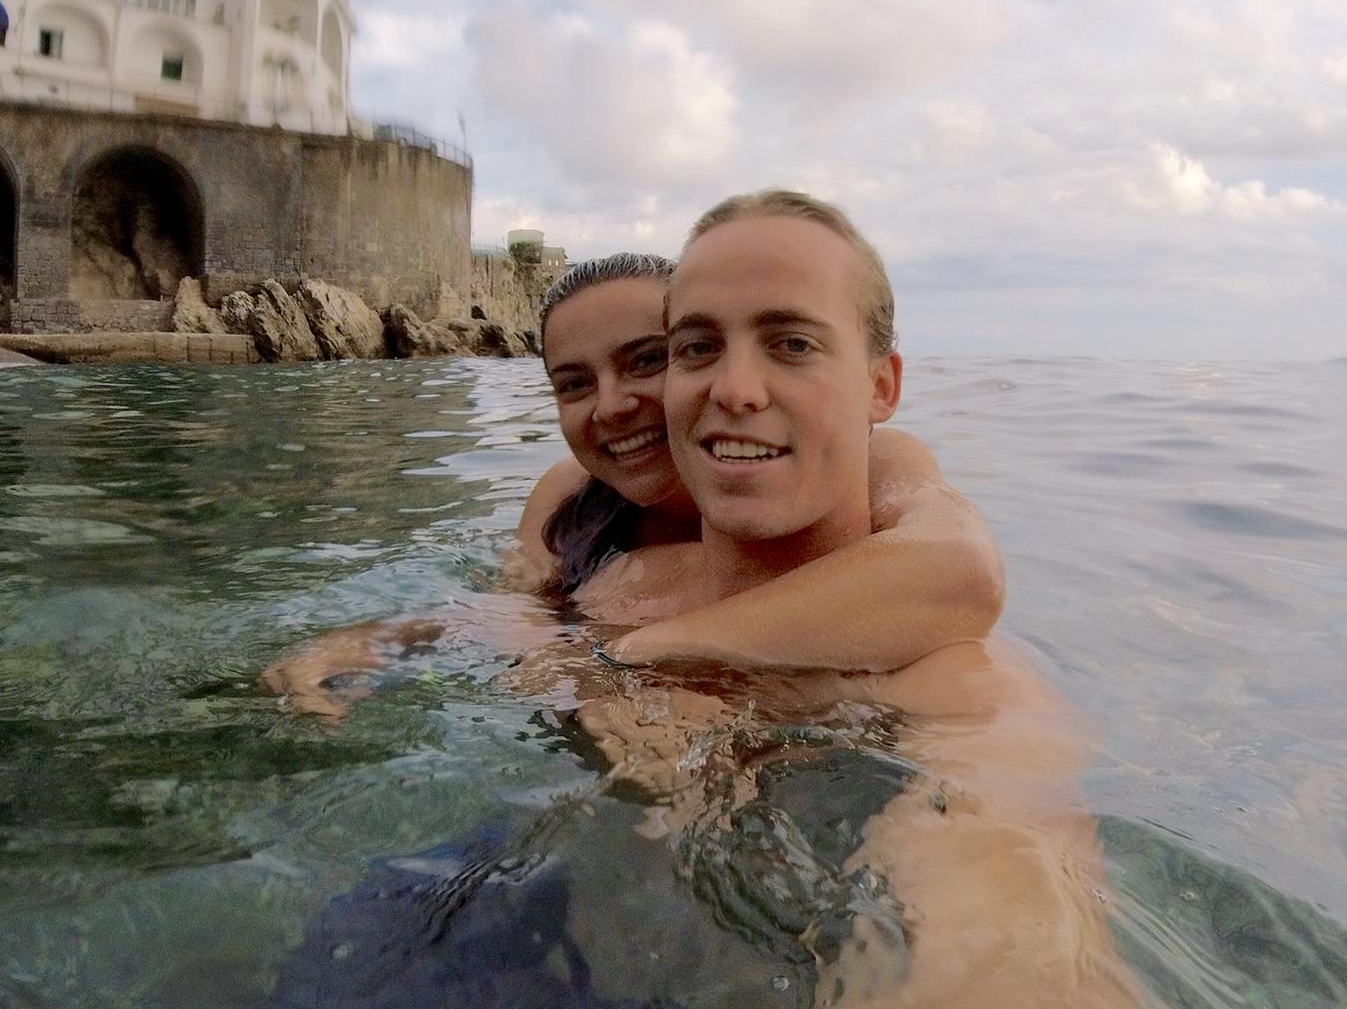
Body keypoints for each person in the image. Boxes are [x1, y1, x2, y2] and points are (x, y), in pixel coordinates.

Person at [561, 191, 1178, 1009]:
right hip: (561, 954)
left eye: (792, 344)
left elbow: (1000, 989)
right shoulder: (624, 579)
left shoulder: (953, 696)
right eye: (695, 347)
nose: (734, 388)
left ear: (882, 388)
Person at [261, 251, 1004, 713]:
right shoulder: (567, 496)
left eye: (647, 360)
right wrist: (366, 645)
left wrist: (640, 656)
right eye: (574, 383)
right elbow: (515, 616)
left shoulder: (868, 464)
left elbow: (956, 572)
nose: (611, 407)